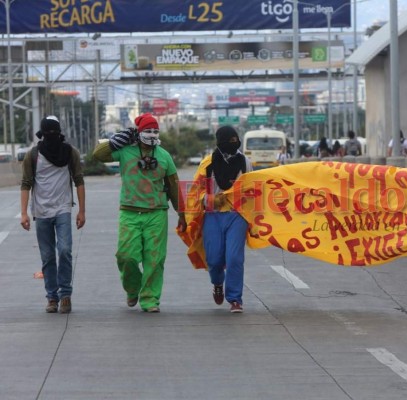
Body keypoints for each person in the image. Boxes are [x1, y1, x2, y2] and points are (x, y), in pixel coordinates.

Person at [93, 113, 187, 313]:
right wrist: (115, 141)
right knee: (126, 257)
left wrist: (182, 213)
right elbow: (98, 155)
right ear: (138, 132)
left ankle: (150, 299)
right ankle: (132, 288)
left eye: (155, 130)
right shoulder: (125, 151)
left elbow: (173, 186)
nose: (152, 134)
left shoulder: (164, 156)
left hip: (156, 214)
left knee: (155, 259)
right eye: (147, 130)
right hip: (129, 213)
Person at [20, 116, 86, 314]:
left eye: (54, 133)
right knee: (48, 256)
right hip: (41, 212)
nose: (51, 137)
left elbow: (79, 180)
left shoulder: (69, 153)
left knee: (65, 250)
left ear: (59, 133)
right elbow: (26, 184)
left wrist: (82, 210)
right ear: (42, 134)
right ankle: (52, 297)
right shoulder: (33, 155)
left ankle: (65, 294)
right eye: (48, 133)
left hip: (63, 209)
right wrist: (23, 213)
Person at [199, 126, 252, 313]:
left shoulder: (245, 162)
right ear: (220, 143)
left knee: (234, 258)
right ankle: (217, 283)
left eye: (236, 141)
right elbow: (193, 194)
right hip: (213, 216)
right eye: (229, 141)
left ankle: (235, 298)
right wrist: (208, 199)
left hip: (237, 215)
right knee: (213, 259)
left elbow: (252, 190)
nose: (234, 145)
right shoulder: (207, 164)